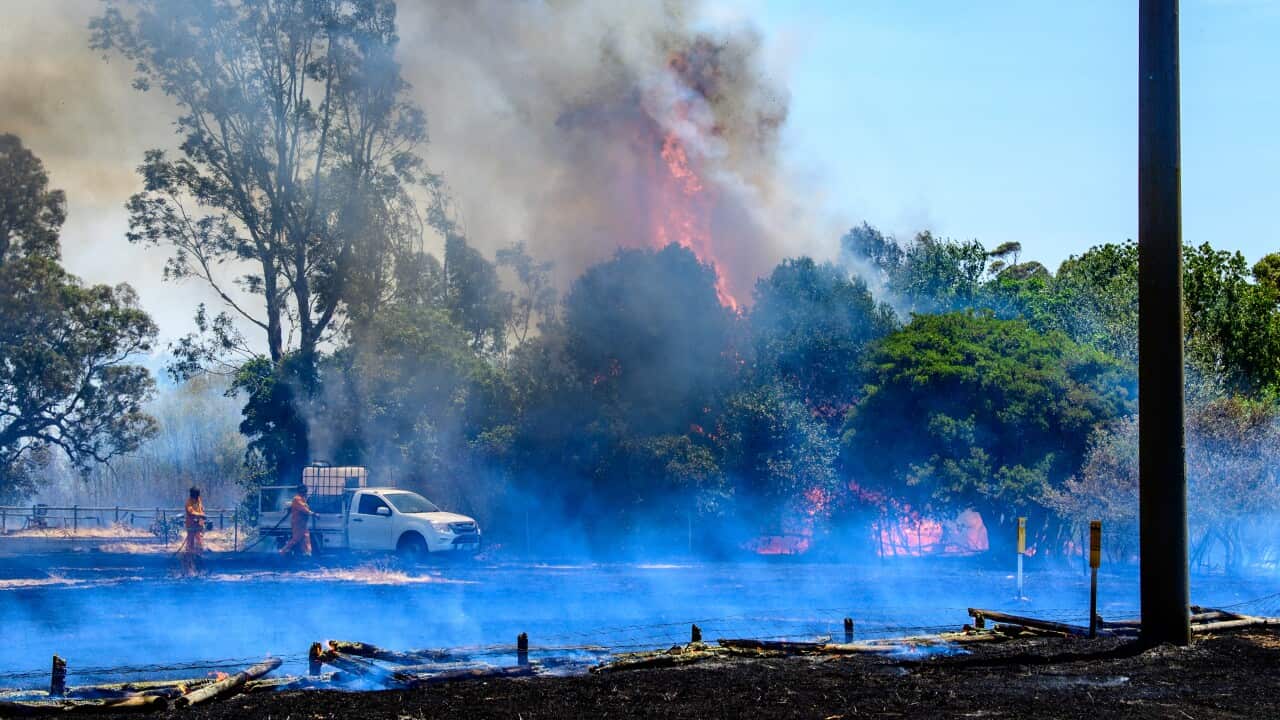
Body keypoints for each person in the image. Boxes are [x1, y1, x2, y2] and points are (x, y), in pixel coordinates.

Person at [279, 484, 315, 556]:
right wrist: (313, 514)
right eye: (305, 490)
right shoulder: (297, 499)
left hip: (303, 523)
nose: (306, 492)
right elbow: (304, 509)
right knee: (296, 538)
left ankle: (307, 552)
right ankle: (282, 551)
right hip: (298, 523)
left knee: (306, 537)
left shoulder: (302, 499)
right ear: (301, 491)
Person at [181, 487, 206, 576]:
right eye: (196, 494)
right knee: (190, 545)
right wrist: (201, 515)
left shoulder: (198, 500)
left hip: (198, 526)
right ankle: (188, 565)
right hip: (191, 526)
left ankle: (199, 562)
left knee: (199, 543)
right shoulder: (189, 503)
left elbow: (201, 509)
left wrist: (201, 518)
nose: (197, 496)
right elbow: (191, 512)